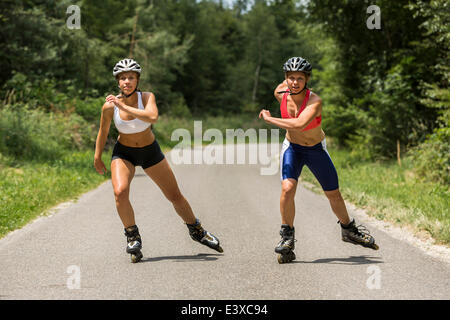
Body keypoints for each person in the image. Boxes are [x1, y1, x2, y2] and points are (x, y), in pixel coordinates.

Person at [94, 58, 223, 263]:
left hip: (150, 152)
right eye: (123, 78)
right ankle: (132, 237)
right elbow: (103, 131)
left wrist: (122, 105)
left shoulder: (146, 98)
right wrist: (97, 157)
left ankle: (196, 230)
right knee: (120, 192)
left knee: (174, 195)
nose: (127, 81)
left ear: (137, 80)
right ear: (118, 82)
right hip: (124, 152)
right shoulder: (109, 107)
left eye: (131, 77)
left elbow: (152, 117)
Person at [259, 57, 378, 264]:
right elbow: (290, 123)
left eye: (300, 78)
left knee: (333, 193)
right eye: (291, 78)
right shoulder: (280, 93)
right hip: (293, 149)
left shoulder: (315, 101)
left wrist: (269, 119)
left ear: (307, 80)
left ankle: (348, 229)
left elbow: (298, 124)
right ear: (285, 79)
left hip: (315, 149)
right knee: (287, 188)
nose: (295, 82)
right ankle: (287, 238)